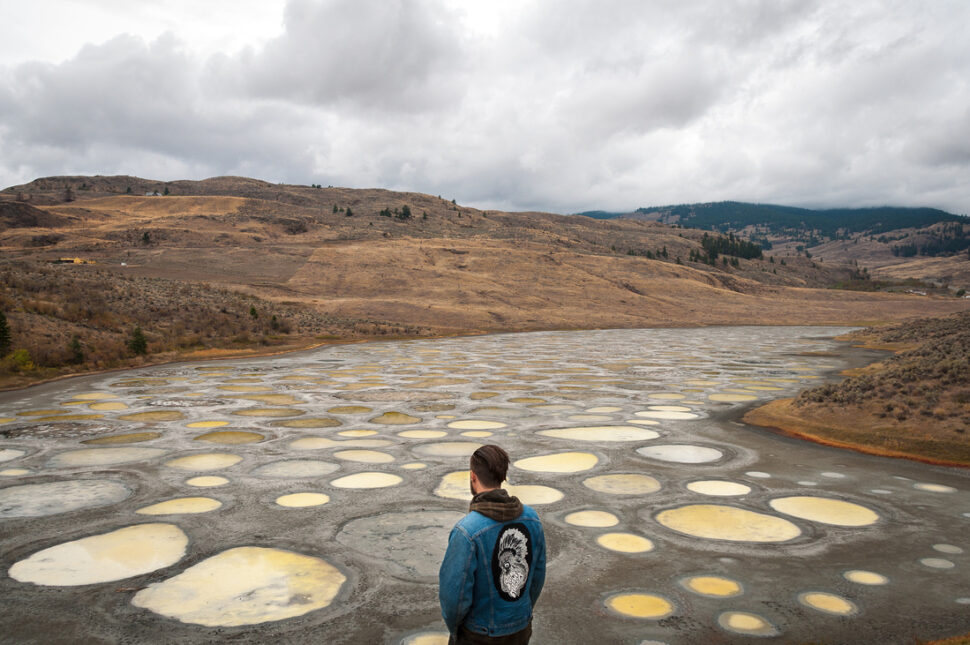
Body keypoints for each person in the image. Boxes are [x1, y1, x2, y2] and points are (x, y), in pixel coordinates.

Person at [439, 445, 546, 645]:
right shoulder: (532, 519)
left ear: (472, 476)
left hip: (478, 633)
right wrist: (520, 612)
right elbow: (537, 576)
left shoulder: (467, 531)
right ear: (502, 476)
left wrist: (456, 631)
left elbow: (454, 595)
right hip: (520, 628)